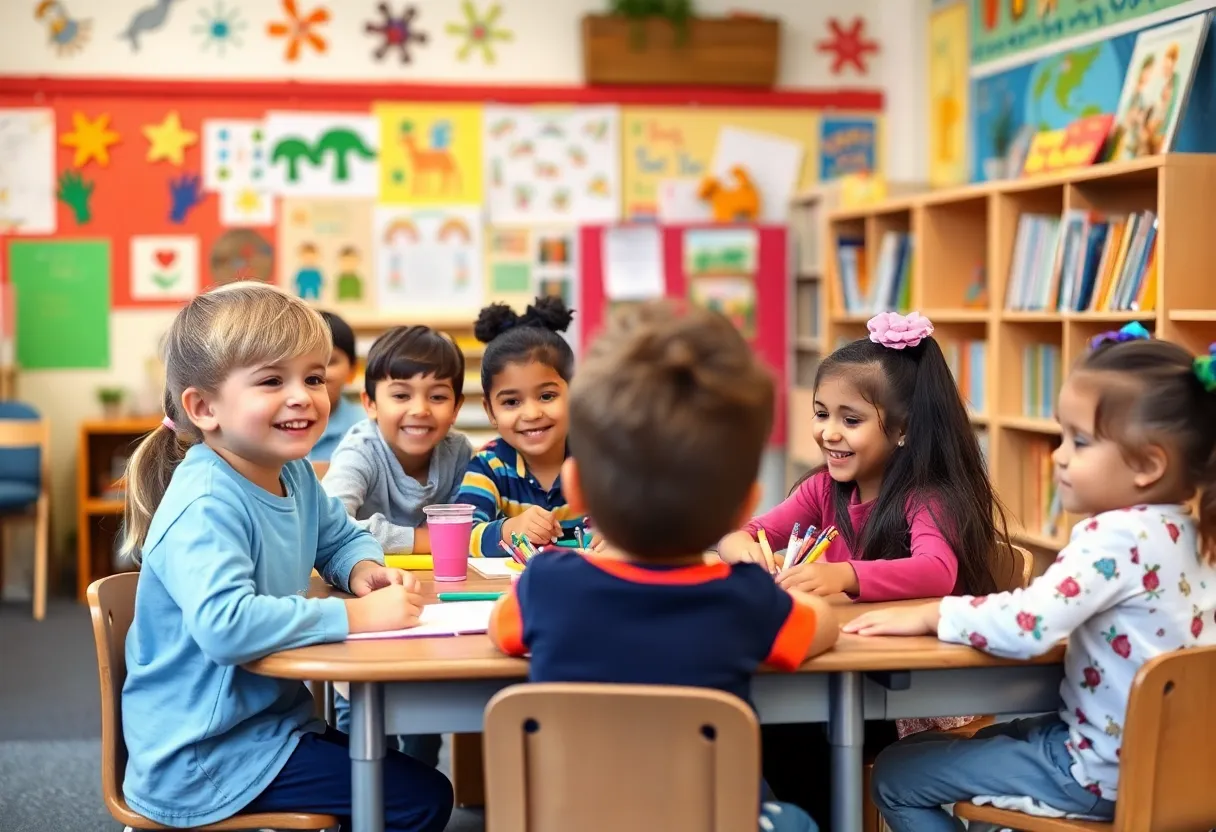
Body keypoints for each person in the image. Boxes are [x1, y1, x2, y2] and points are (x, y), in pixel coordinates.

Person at [847, 326, 1216, 831]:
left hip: (1094, 774)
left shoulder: (1112, 538)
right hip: (1174, 773)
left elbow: (1029, 624)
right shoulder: (1196, 536)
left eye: (1080, 442)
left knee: (894, 771)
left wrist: (935, 612)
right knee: (954, 749)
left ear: (1149, 465)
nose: (1059, 456)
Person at [488, 300, 838, 831]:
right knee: (795, 820)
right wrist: (800, 594)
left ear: (577, 489)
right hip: (709, 820)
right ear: (747, 506)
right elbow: (825, 626)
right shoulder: (748, 600)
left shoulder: (548, 583)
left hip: (571, 820)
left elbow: (502, 631)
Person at [118, 282, 452, 832]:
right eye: (273, 380)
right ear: (204, 408)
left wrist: (365, 571)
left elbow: (338, 538)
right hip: (205, 755)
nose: (303, 396)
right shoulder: (205, 502)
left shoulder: (291, 470)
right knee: (419, 796)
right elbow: (226, 626)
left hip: (267, 726)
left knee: (401, 775)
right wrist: (353, 616)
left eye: (314, 378)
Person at [717, 310, 1010, 824]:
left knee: (792, 726)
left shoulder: (928, 497)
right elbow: (744, 533)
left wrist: (846, 575)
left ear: (902, 430)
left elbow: (936, 571)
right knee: (769, 717)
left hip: (911, 697)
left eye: (850, 420)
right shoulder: (821, 488)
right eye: (820, 413)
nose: (829, 433)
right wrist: (747, 551)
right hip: (848, 673)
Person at [323, 324, 474, 767]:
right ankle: (362, 804)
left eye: (438, 396)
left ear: (457, 406)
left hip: (436, 602)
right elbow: (331, 521)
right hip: (369, 600)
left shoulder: (459, 452)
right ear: (370, 404)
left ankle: (413, 797)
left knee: (426, 729)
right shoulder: (362, 450)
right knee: (366, 726)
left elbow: (481, 521)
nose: (420, 410)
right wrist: (424, 539)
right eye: (401, 394)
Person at [457, 296, 599, 556]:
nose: (532, 413)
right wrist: (507, 529)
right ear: (490, 411)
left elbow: (642, 517)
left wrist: (618, 536)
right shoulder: (489, 466)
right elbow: (461, 536)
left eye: (547, 396)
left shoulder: (597, 458)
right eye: (511, 402)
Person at [309, 310, 365, 462]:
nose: (316, 373)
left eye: (330, 361)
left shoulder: (367, 428)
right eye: (305, 362)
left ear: (352, 371)